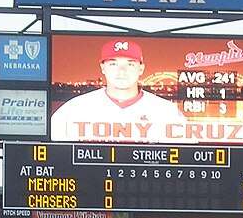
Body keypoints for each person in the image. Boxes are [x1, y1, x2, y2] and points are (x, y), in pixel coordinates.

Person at [49, 38, 181, 143]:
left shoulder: (168, 112)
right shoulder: (72, 110)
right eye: (113, 64)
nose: (122, 71)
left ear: (141, 69)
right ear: (103, 68)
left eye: (130, 64)